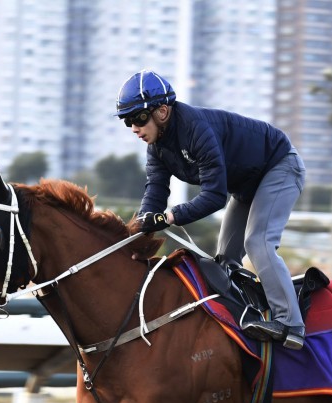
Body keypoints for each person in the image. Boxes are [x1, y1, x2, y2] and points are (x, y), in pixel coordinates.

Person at [116, 69, 307, 350]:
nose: (134, 127)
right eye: (127, 121)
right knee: (225, 261)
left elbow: (215, 196)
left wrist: (169, 216)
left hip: (279, 166)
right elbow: (155, 190)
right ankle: (246, 317)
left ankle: (291, 324)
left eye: (139, 118)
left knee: (257, 243)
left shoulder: (196, 129)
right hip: (245, 185)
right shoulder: (156, 147)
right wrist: (142, 226)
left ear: (163, 111)